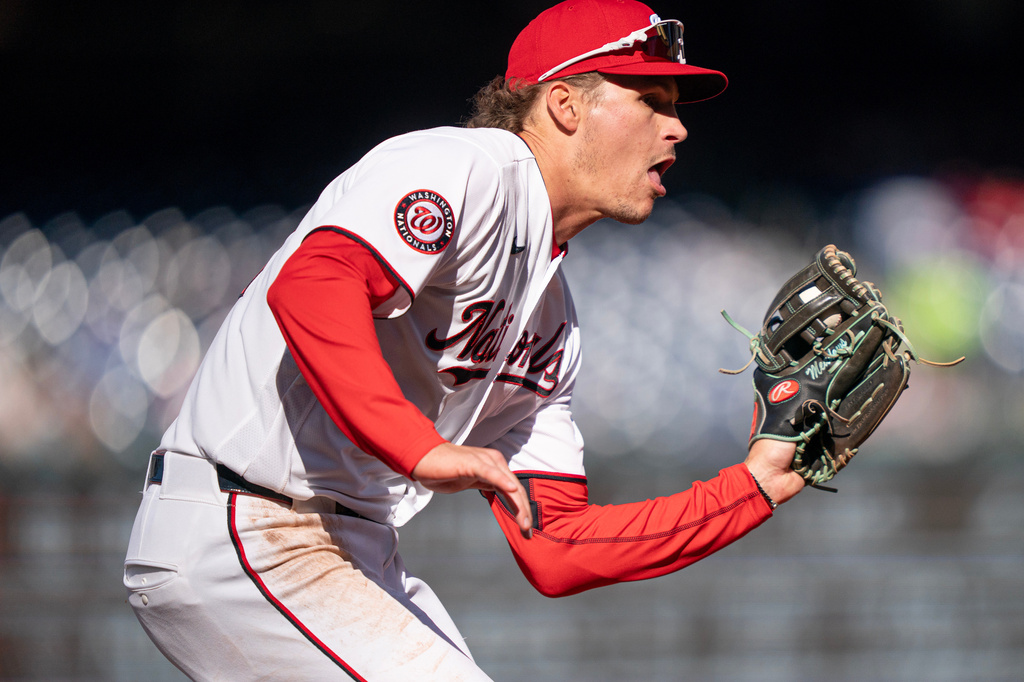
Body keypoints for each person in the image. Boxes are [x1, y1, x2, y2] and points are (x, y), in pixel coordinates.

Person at [123, 1, 803, 679]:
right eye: (650, 99)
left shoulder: (553, 324)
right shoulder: (468, 167)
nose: (678, 127)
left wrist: (754, 486)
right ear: (564, 104)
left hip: (347, 548)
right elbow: (314, 283)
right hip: (245, 524)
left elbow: (557, 544)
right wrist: (421, 449)